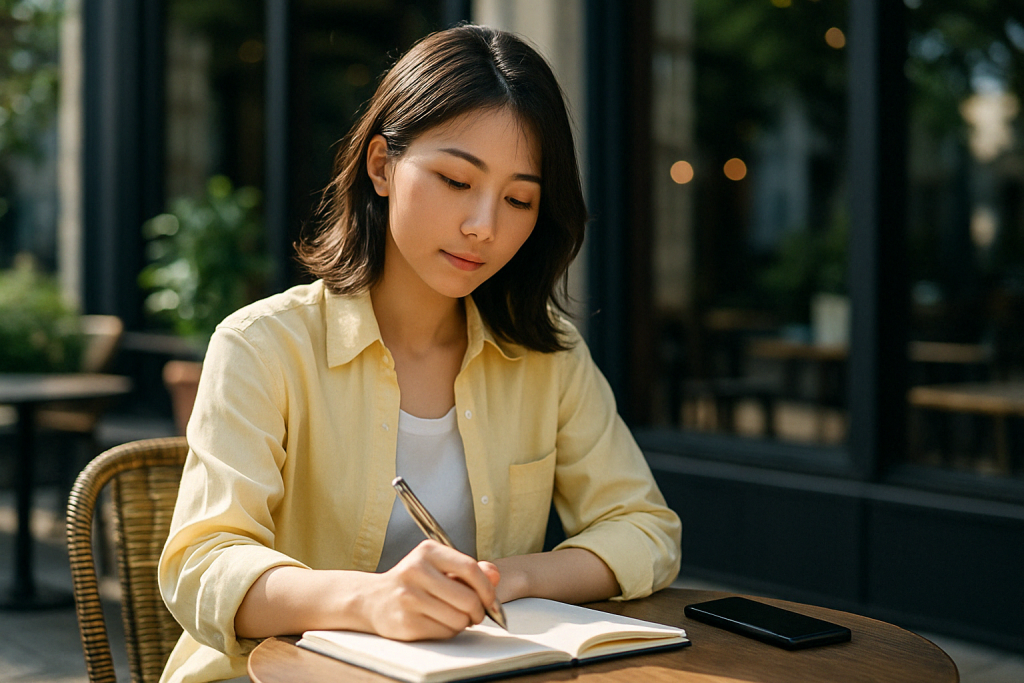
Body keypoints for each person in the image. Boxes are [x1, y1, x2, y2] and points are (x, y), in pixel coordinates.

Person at [157, 24, 681, 683]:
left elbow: (644, 528)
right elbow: (202, 564)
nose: (483, 226)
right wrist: (372, 600)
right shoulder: (264, 345)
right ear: (381, 165)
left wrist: (501, 578)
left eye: (519, 199)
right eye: (457, 180)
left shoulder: (547, 354)